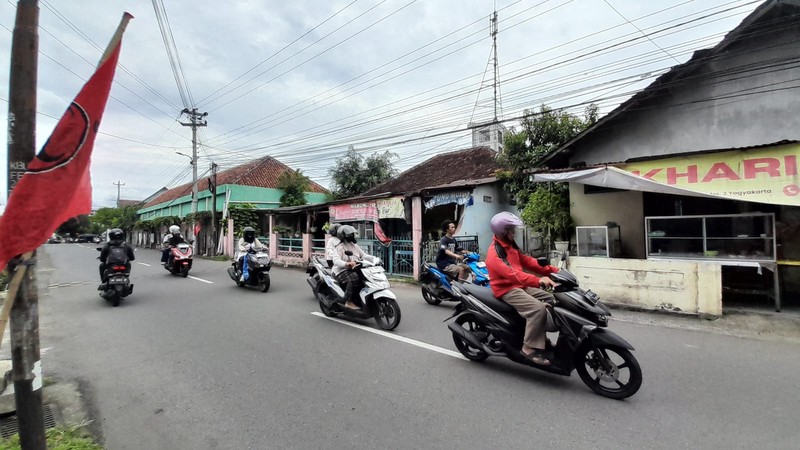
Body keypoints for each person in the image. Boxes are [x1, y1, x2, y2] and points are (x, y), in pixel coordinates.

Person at [485, 212, 559, 366]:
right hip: (507, 290)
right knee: (537, 309)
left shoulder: (511, 245)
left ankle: (541, 338)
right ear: (503, 232)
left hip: (520, 286)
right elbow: (513, 275)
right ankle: (528, 348)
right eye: (511, 229)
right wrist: (539, 280)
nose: (514, 232)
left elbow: (529, 262)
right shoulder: (495, 253)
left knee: (552, 299)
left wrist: (555, 272)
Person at [331, 225, 371, 310]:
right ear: (343, 236)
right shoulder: (339, 247)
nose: (352, 236)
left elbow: (363, 255)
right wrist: (346, 264)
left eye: (352, 234)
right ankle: (348, 301)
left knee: (365, 277)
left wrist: (374, 258)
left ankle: (360, 299)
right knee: (354, 277)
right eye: (349, 235)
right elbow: (336, 261)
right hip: (340, 271)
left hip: (353, 269)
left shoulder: (354, 245)